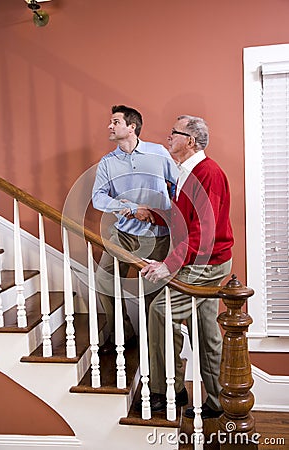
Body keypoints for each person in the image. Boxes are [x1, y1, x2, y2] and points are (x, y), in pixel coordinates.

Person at [138, 115, 234, 417]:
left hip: (206, 263)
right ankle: (218, 403)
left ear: (190, 141)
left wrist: (169, 265)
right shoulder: (188, 172)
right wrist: (153, 214)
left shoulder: (208, 173)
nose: (168, 138)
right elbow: (184, 217)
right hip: (204, 259)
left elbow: (203, 232)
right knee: (206, 332)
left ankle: (167, 389)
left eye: (173, 133)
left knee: (159, 311)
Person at [92, 105, 179, 355]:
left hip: (157, 237)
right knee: (103, 281)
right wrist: (129, 207)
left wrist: (165, 214)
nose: (110, 126)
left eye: (115, 121)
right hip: (123, 233)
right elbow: (98, 197)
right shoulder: (107, 162)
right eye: (110, 122)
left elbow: (177, 185)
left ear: (132, 127)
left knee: (154, 294)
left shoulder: (158, 153)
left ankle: (156, 346)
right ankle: (124, 332)